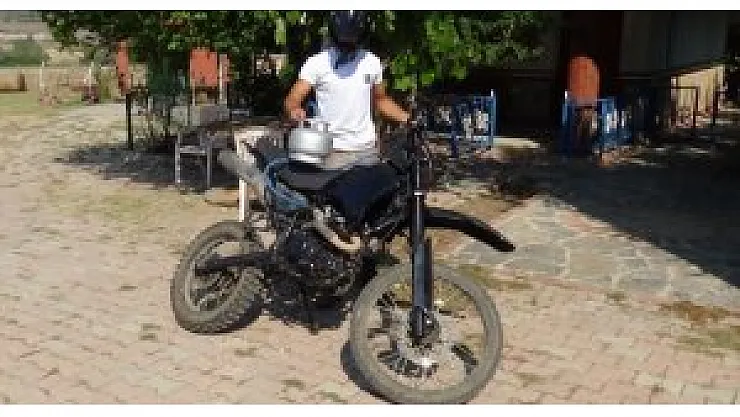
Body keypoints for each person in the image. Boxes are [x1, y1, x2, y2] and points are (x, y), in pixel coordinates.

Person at [283, 10, 410, 170]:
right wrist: (294, 110)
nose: (348, 47)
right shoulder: (317, 63)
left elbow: (381, 100)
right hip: (332, 152)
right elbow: (292, 99)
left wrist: (408, 119)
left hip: (367, 152)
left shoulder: (372, 62)